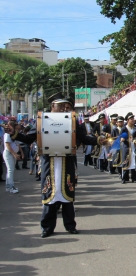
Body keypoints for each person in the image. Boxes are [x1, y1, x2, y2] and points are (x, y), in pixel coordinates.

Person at [6, 92, 104, 238]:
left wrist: (97, 140)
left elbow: (83, 138)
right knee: (49, 194)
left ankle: (70, 225)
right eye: (61, 105)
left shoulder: (72, 120)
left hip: (66, 162)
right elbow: (28, 138)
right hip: (49, 163)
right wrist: (14, 134)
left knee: (67, 195)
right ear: (53, 105)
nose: (64, 108)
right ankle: (47, 227)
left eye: (66, 106)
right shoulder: (42, 120)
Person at [3, 117, 22, 193]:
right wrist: (14, 154)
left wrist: (19, 153)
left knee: (10, 170)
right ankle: (11, 187)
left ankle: (8, 186)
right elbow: (7, 145)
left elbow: (17, 144)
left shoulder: (14, 133)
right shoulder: (8, 133)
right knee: (10, 170)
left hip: (12, 154)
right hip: (9, 154)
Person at [120, 112, 136, 184]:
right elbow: (121, 138)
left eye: (133, 118)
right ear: (127, 120)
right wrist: (124, 139)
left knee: (134, 162)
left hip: (134, 147)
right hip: (127, 147)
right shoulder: (124, 128)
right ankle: (124, 178)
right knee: (125, 162)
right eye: (131, 119)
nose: (133, 120)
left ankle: (134, 178)